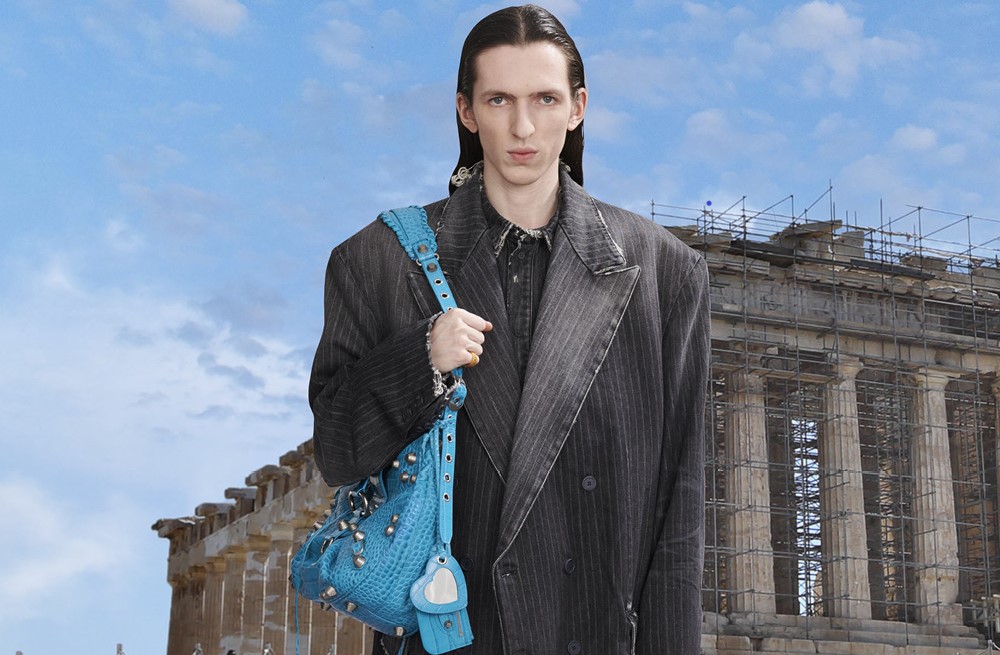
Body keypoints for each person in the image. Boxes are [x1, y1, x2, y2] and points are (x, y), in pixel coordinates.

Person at [308, 4, 710, 654]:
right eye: (499, 100)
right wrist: (419, 362)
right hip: (452, 633)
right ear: (467, 111)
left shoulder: (665, 272)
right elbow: (334, 451)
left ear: (577, 108)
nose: (523, 127)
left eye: (545, 99)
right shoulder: (377, 260)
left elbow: (678, 512)